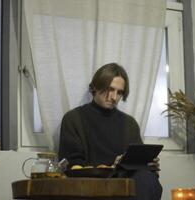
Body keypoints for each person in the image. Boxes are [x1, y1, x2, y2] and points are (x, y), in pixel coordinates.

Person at [58, 63, 162, 200]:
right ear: (95, 86)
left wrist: (148, 164)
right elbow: (72, 165)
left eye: (119, 92)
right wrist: (112, 167)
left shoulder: (129, 124)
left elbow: (138, 167)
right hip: (90, 186)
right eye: (110, 89)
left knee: (147, 177)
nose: (113, 97)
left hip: (127, 186)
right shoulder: (73, 119)